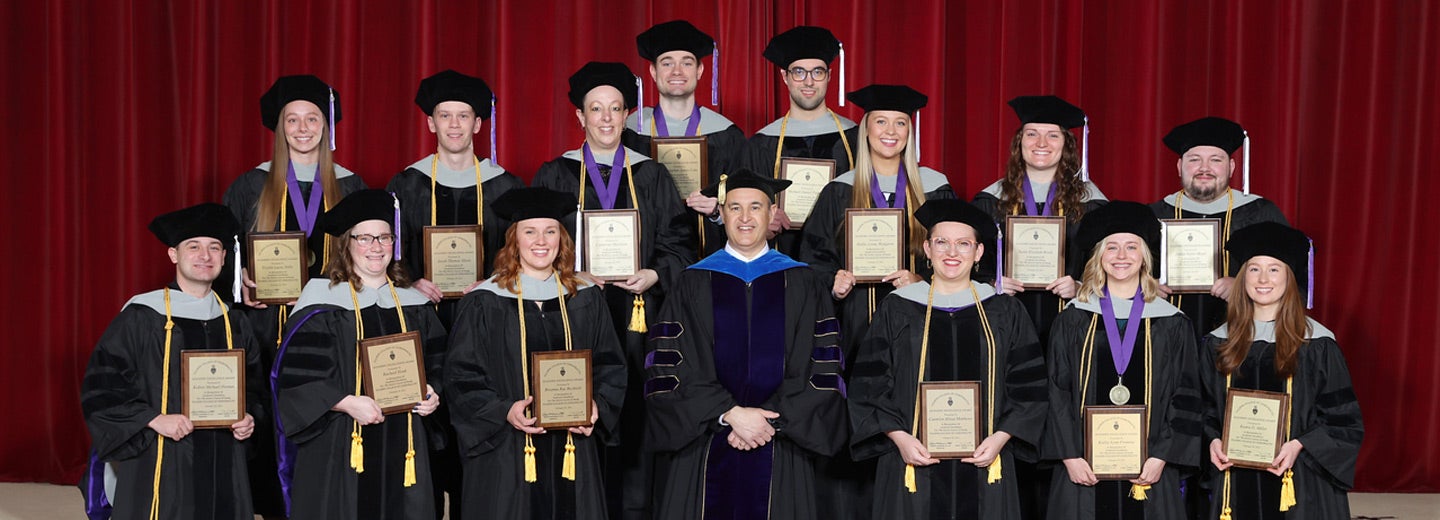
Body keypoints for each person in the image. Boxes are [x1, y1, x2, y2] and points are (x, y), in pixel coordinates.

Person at [531, 60, 693, 520]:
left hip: (638, 315)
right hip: (571, 315)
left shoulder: (652, 175)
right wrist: (571, 274)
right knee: (574, 406)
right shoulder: (555, 174)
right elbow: (531, 244)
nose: (605, 118)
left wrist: (654, 274)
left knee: (638, 410)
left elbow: (680, 244)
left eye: (615, 109)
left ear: (627, 116)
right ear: (579, 117)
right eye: (596, 109)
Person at [644, 169, 847, 519]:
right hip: (706, 439)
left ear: (772, 215)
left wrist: (767, 421)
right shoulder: (691, 282)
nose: (745, 217)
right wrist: (729, 413)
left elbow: (822, 366)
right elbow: (668, 366)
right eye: (735, 208)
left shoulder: (803, 281)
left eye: (756, 207)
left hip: (781, 439)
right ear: (720, 215)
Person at [798, 83, 955, 519]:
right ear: (865, 130)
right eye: (880, 122)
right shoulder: (840, 190)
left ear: (911, 131)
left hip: (918, 324)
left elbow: (961, 256)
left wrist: (920, 277)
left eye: (900, 123)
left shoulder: (935, 188)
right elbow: (810, 259)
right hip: (853, 324)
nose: (891, 131)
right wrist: (835, 280)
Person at [221, 75, 367, 516]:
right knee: (265, 417)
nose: (303, 129)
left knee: (324, 409)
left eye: (312, 119)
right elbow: (223, 252)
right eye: (292, 120)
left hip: (329, 331)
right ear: (280, 128)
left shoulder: (351, 185)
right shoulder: (251, 186)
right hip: (266, 325)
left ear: (327, 125)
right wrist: (238, 278)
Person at [849, 199, 1047, 519]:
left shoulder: (1004, 311)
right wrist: (899, 438)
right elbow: (868, 384)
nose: (951, 253)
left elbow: (1029, 386)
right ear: (927, 249)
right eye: (942, 242)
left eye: (963, 244)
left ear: (979, 253)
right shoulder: (897, 308)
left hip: (986, 461)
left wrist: (1001, 437)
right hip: (912, 460)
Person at [387, 69, 524, 518]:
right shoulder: (405, 186)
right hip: (423, 320)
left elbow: (520, 254)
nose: (453, 125)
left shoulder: (504, 186)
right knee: (429, 422)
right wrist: (409, 280)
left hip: (486, 321)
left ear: (478, 124)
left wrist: (491, 282)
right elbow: (385, 252)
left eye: (463, 116)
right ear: (430, 123)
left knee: (480, 418)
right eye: (444, 116)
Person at [444, 187, 628, 519]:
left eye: (550, 231)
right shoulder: (484, 301)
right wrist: (503, 410)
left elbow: (610, 364)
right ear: (515, 240)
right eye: (530, 231)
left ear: (562, 238)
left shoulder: (586, 298)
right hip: (506, 451)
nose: (541, 241)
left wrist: (596, 405)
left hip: (573, 447)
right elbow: (461, 376)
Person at [80, 203, 263, 519]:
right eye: (193, 247)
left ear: (224, 257)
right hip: (160, 457)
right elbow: (104, 385)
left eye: (214, 248)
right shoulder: (142, 317)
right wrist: (152, 419)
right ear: (174, 255)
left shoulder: (235, 322)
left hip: (224, 458)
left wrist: (249, 417)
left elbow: (256, 388)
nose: (204, 256)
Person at [274, 190, 445, 519]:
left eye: (384, 237)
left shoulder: (414, 305)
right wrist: (345, 402)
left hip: (405, 441)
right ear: (346, 245)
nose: (377, 247)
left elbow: (439, 363)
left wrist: (433, 393)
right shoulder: (320, 304)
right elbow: (296, 378)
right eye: (364, 238)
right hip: (339, 442)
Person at [1043, 201, 1201, 520]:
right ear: (1099, 256)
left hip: (1150, 469)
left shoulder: (1172, 323)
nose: (1121, 256)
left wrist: (1161, 457)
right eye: (1111, 247)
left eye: (1131, 247)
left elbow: (1186, 395)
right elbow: (1056, 392)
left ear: (1144, 255)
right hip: (1083, 468)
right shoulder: (1073, 319)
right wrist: (1070, 455)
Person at [1199, 222, 1361, 520]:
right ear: (1242, 277)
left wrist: (1300, 445)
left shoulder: (1317, 344)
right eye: (1254, 269)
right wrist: (1213, 439)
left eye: (1274, 269)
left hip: (1300, 482)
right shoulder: (1218, 342)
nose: (1263, 279)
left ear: (1289, 278)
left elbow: (1344, 420)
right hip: (1234, 483)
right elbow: (1205, 408)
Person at [973, 95, 1108, 343]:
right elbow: (973, 262)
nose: (1042, 143)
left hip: (1073, 324)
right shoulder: (990, 200)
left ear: (1066, 145)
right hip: (1005, 323)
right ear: (1019, 142)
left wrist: (1080, 287)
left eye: (1053, 135)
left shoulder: (1091, 203)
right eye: (1032, 134)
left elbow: (1109, 266)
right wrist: (993, 283)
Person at [1149, 117, 1290, 342]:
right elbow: (1118, 274)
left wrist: (1245, 285)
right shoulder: (1153, 216)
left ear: (1232, 167)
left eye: (1216, 160)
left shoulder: (1260, 214)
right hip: (1167, 341)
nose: (1204, 168)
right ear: (1179, 166)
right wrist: (1144, 285)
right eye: (1194, 160)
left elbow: (1291, 278)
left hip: (1241, 339)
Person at [623, 20, 749, 258]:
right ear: (653, 71)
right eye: (667, 63)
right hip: (647, 261)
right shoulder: (629, 133)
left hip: (711, 258)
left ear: (700, 71)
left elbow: (749, 202)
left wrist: (719, 211)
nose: (677, 72)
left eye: (687, 63)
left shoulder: (727, 135)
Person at [747, 25, 859, 256]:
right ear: (785, 77)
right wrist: (761, 225)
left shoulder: (855, 138)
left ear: (828, 75)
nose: (808, 81)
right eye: (799, 72)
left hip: (841, 266)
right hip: (780, 262)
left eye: (817, 72)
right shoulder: (762, 143)